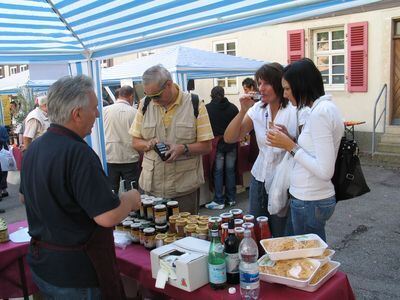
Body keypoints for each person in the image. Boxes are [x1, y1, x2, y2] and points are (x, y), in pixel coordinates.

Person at [20, 75, 141, 299]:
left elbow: (24, 198)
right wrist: (131, 199)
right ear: (76, 114)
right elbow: (107, 216)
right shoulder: (78, 153)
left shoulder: (34, 149)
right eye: (94, 108)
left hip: (45, 265)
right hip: (76, 273)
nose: (97, 114)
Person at [267, 58, 344, 242]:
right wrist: (291, 140)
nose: (284, 94)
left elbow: (325, 171)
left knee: (308, 258)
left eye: (287, 89)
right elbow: (315, 152)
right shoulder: (322, 109)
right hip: (310, 198)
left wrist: (290, 146)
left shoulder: (320, 113)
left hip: (311, 199)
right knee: (307, 254)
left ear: (301, 86)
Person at [225, 63, 304, 237]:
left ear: (279, 84)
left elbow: (305, 148)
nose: (261, 88)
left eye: (266, 83)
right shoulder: (258, 109)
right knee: (257, 231)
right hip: (259, 178)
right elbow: (230, 137)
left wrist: (289, 140)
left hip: (285, 180)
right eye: (259, 83)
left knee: (280, 232)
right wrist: (242, 111)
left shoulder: (294, 109)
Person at [130, 65, 213, 214]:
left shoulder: (195, 104)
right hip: (151, 189)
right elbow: (135, 142)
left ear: (169, 84)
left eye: (156, 96)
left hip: (183, 190)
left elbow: (207, 146)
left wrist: (183, 148)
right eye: (149, 96)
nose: (153, 101)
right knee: (153, 233)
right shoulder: (145, 104)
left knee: (184, 235)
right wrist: (148, 144)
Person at [204, 86, 239, 210]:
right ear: (224, 95)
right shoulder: (233, 108)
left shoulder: (207, 109)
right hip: (231, 143)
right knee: (230, 171)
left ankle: (219, 200)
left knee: (218, 172)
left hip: (217, 143)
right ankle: (231, 198)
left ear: (212, 95)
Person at [103, 85, 140, 192]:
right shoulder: (135, 112)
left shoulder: (104, 111)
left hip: (110, 156)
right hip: (129, 157)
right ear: (131, 96)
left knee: (111, 191)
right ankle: (133, 209)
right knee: (132, 190)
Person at [0, 126, 9, 197]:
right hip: (4, 149)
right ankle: (4, 190)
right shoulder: (3, 128)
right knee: (4, 170)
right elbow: (7, 138)